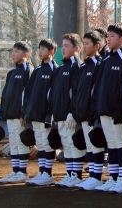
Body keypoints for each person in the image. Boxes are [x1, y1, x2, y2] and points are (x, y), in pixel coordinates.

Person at [91, 23, 122, 193]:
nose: (108, 39)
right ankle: (114, 178)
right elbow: (98, 85)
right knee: (112, 144)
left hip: (117, 112)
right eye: (107, 36)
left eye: (112, 36)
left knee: (121, 144)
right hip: (104, 110)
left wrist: (121, 108)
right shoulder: (105, 59)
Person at [50, 33, 85, 187]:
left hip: (70, 115)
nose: (63, 49)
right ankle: (70, 174)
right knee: (66, 145)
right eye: (62, 45)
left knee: (72, 144)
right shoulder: (61, 68)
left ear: (76, 48)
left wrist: (72, 112)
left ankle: (76, 175)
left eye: (66, 46)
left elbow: (76, 92)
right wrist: (54, 112)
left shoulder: (77, 66)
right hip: (60, 115)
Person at [22, 39, 58, 186]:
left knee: (47, 144)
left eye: (43, 49)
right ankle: (42, 172)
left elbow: (54, 94)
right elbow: (28, 92)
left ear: (52, 51)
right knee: (41, 144)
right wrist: (27, 112)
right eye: (40, 49)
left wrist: (50, 114)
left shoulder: (54, 69)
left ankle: (47, 173)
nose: (40, 51)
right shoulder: (37, 70)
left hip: (45, 116)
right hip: (35, 115)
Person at [72, 31, 105, 191]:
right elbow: (78, 91)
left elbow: (97, 92)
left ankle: (96, 177)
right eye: (83, 43)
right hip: (83, 114)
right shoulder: (84, 66)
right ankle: (92, 176)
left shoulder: (100, 64)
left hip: (93, 114)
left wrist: (94, 112)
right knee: (90, 146)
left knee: (95, 145)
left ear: (97, 46)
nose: (84, 47)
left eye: (87, 44)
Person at [0, 41, 34, 184]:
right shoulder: (11, 72)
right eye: (13, 51)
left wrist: (24, 113)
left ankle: (22, 172)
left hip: (20, 115)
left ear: (26, 55)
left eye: (16, 51)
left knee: (21, 142)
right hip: (10, 114)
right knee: (13, 142)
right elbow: (5, 94)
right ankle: (15, 171)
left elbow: (29, 94)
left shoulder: (28, 70)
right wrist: (3, 113)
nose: (13, 54)